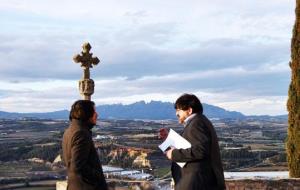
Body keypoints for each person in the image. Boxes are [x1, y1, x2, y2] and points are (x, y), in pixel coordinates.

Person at [159, 94, 225, 190]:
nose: (176, 114)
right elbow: (191, 146)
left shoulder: (197, 123)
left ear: (189, 110)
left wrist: (174, 154)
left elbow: (200, 151)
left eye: (178, 110)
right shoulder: (198, 121)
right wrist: (169, 139)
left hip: (198, 184)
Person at [62, 100, 108, 190]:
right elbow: (77, 166)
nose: (97, 114)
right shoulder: (81, 133)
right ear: (86, 114)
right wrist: (97, 176)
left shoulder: (69, 131)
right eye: (94, 111)